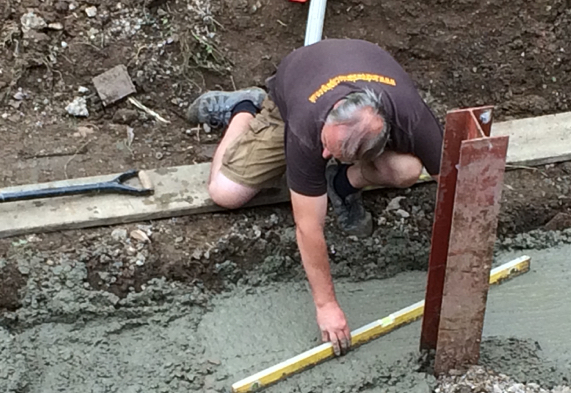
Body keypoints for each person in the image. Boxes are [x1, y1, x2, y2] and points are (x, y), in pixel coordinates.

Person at [187, 38, 443, 355]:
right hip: (295, 90)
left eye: (333, 155)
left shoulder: (411, 115)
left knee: (406, 170)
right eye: (327, 145)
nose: (323, 154)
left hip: (360, 75)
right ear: (332, 116)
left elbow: (457, 186)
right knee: (225, 192)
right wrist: (327, 306)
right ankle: (243, 108)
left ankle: (343, 183)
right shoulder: (309, 128)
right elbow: (308, 227)